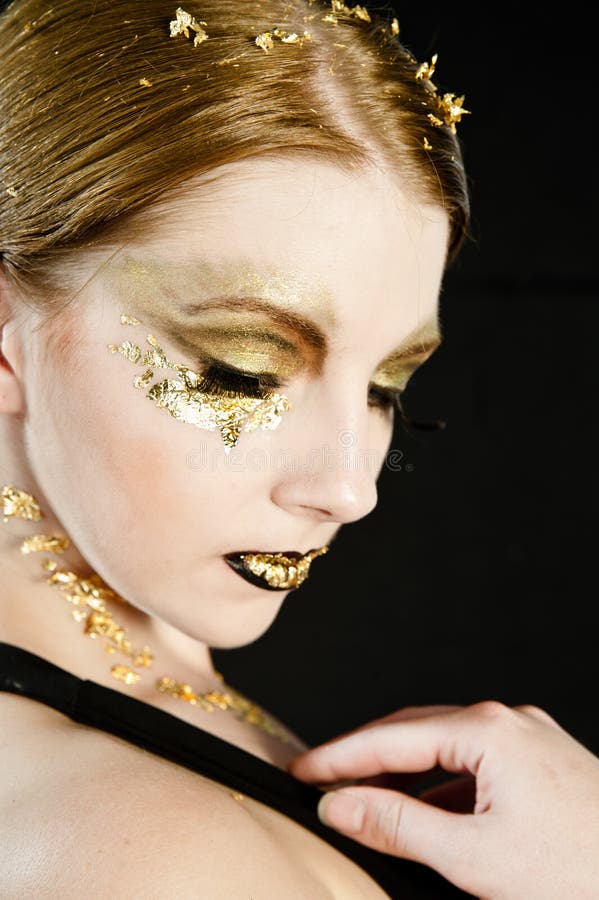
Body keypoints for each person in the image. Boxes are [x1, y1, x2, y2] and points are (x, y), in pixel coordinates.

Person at [1, 1, 595, 898]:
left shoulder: (141, 721)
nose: (349, 487)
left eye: (386, 388)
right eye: (246, 371)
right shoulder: (144, 853)